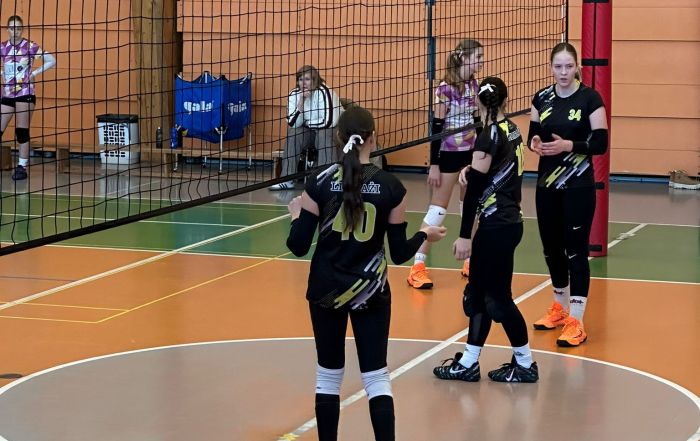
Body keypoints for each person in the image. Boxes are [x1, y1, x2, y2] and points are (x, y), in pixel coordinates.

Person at [286, 106, 446, 440]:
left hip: (326, 289)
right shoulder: (391, 187)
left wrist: (297, 217)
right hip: (370, 291)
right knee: (376, 377)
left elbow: (298, 246)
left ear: (337, 137)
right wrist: (424, 235)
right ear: (373, 137)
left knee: (328, 376)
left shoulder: (318, 182)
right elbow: (400, 254)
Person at [433, 77, 538, 383]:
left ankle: (526, 364)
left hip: (496, 226)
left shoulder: (487, 137)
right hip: (507, 222)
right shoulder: (511, 129)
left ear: (478, 101)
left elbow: (474, 192)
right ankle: (468, 362)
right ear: (505, 101)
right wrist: (472, 168)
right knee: (477, 295)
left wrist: (465, 236)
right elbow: (496, 167)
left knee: (498, 300)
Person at [528, 42, 608, 347]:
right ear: (551, 68)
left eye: (568, 66)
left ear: (577, 68)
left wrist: (568, 146)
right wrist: (536, 143)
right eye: (558, 67)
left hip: (578, 186)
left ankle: (577, 320)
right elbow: (533, 135)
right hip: (547, 185)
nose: (563, 72)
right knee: (551, 250)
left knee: (575, 251)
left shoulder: (590, 98)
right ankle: (559, 308)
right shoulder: (542, 98)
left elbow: (600, 143)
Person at [407, 39, 484, 289]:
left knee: (470, 206)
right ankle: (417, 267)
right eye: (477, 57)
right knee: (438, 210)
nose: (481, 62)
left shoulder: (474, 85)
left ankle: (471, 261)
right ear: (463, 58)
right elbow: (437, 127)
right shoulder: (445, 88)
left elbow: (477, 122)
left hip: (470, 153)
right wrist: (434, 164)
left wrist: (482, 152)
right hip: (449, 153)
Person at [0, 15, 56, 181]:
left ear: (22, 29)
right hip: (7, 94)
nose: (15, 31)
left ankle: (22, 167)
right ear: (8, 30)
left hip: (25, 93)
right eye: (12, 28)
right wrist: (2, 73)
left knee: (21, 131)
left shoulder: (30, 46)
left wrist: (34, 73)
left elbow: (51, 60)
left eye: (18, 28)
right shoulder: (3, 47)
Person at [270, 65, 343, 190]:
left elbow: (329, 122)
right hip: (312, 131)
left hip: (336, 131)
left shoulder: (325, 92)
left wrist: (308, 123)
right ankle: (287, 179)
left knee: (323, 134)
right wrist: (301, 104)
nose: (303, 83)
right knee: (294, 133)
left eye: (307, 79)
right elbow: (293, 124)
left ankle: (326, 180)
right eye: (300, 79)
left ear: (315, 80)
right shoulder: (294, 94)